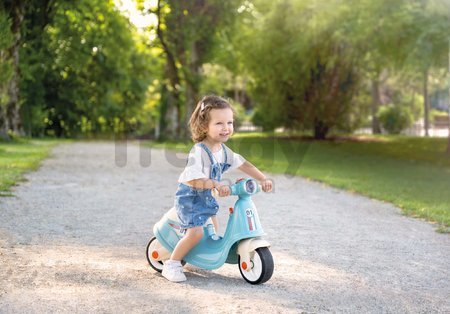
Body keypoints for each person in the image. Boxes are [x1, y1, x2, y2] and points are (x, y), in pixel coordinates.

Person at [162, 95, 273, 282]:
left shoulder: (223, 151)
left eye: (229, 122)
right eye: (219, 123)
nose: (226, 128)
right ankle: (172, 264)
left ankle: (198, 252)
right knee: (196, 232)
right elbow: (193, 180)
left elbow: (243, 164)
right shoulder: (199, 151)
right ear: (204, 127)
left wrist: (263, 178)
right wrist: (215, 184)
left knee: (213, 228)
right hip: (190, 199)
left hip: (206, 197)